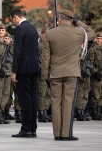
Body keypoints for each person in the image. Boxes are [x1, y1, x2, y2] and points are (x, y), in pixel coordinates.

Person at [41, 9, 96, 141]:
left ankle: (57, 134)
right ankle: (66, 134)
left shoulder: (50, 33)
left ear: (59, 19)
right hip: (71, 73)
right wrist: (78, 22)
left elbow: (45, 58)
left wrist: (45, 75)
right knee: (68, 103)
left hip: (55, 73)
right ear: (71, 20)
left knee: (56, 103)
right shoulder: (78, 32)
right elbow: (92, 33)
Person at [10, 9, 40, 138]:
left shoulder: (19, 29)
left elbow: (18, 52)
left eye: (12, 19)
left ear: (16, 17)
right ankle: (33, 128)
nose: (12, 22)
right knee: (33, 98)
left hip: (23, 69)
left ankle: (26, 128)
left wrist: (14, 71)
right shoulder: (32, 28)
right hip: (34, 67)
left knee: (25, 99)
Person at [37, 27, 52, 123]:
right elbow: (36, 59)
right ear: (41, 35)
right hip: (41, 72)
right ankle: (41, 113)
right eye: (44, 34)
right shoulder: (38, 46)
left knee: (48, 93)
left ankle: (45, 111)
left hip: (49, 72)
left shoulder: (49, 46)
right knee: (41, 93)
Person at [89, 32, 102, 120]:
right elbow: (90, 63)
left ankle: (99, 111)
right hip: (96, 75)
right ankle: (95, 112)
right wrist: (95, 72)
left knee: (100, 95)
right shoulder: (93, 49)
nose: (99, 40)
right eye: (97, 38)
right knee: (95, 94)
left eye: (100, 38)